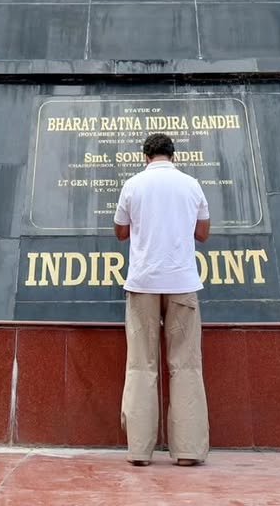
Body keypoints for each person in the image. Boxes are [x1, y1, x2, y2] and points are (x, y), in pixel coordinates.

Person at [113, 131, 210, 466]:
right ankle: (187, 452)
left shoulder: (133, 185)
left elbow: (121, 231)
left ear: (145, 156)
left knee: (141, 364)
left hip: (143, 283)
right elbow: (203, 232)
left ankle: (139, 451)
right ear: (174, 155)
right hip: (182, 281)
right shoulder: (191, 184)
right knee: (185, 364)